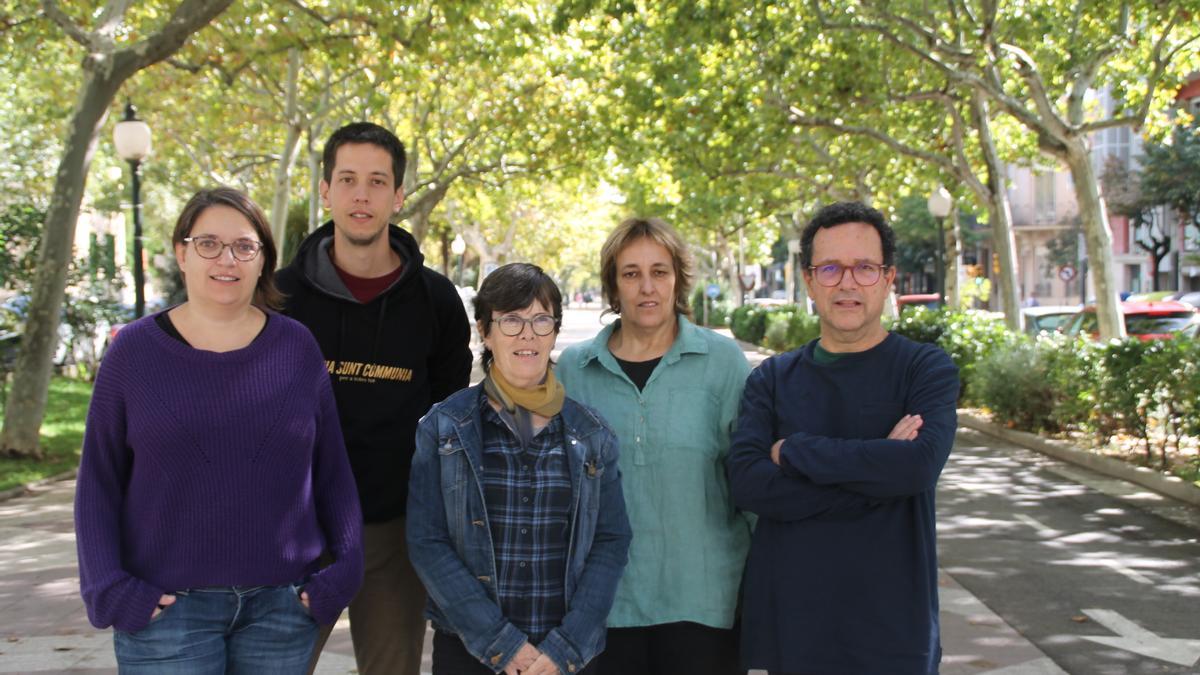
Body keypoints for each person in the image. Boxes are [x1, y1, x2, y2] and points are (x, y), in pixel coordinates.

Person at [75, 187, 364, 673]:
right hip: (166, 615)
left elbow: (332, 472)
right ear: (182, 253)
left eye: (244, 246)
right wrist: (109, 588)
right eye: (208, 243)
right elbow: (98, 484)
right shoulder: (133, 353)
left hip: (282, 610)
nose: (226, 259)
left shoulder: (296, 348)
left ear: (262, 260)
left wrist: (343, 575)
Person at [726, 201, 960, 675]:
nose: (847, 282)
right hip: (793, 631)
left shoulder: (925, 369)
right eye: (830, 268)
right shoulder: (771, 378)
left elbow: (916, 467)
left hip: (895, 634)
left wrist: (792, 450)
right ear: (809, 280)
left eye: (865, 268)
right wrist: (878, 474)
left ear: (888, 278)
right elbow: (749, 486)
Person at [277, 122, 473, 674]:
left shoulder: (435, 300)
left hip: (394, 526)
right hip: (296, 528)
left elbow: (450, 418)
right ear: (325, 190)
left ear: (398, 195)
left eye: (377, 181)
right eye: (347, 179)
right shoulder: (280, 297)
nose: (361, 195)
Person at [407, 262, 632, 675]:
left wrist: (565, 648)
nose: (527, 334)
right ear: (484, 331)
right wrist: (503, 646)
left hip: (565, 656)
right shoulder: (442, 429)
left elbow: (611, 540)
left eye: (541, 319)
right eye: (511, 320)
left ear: (555, 331)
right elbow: (427, 541)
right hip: (470, 652)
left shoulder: (593, 434)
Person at [557, 217, 752, 675]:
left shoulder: (723, 363)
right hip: (602, 606)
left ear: (678, 280)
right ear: (613, 285)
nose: (647, 287)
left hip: (705, 602)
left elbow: (750, 483)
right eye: (631, 273)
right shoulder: (574, 369)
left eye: (659, 272)